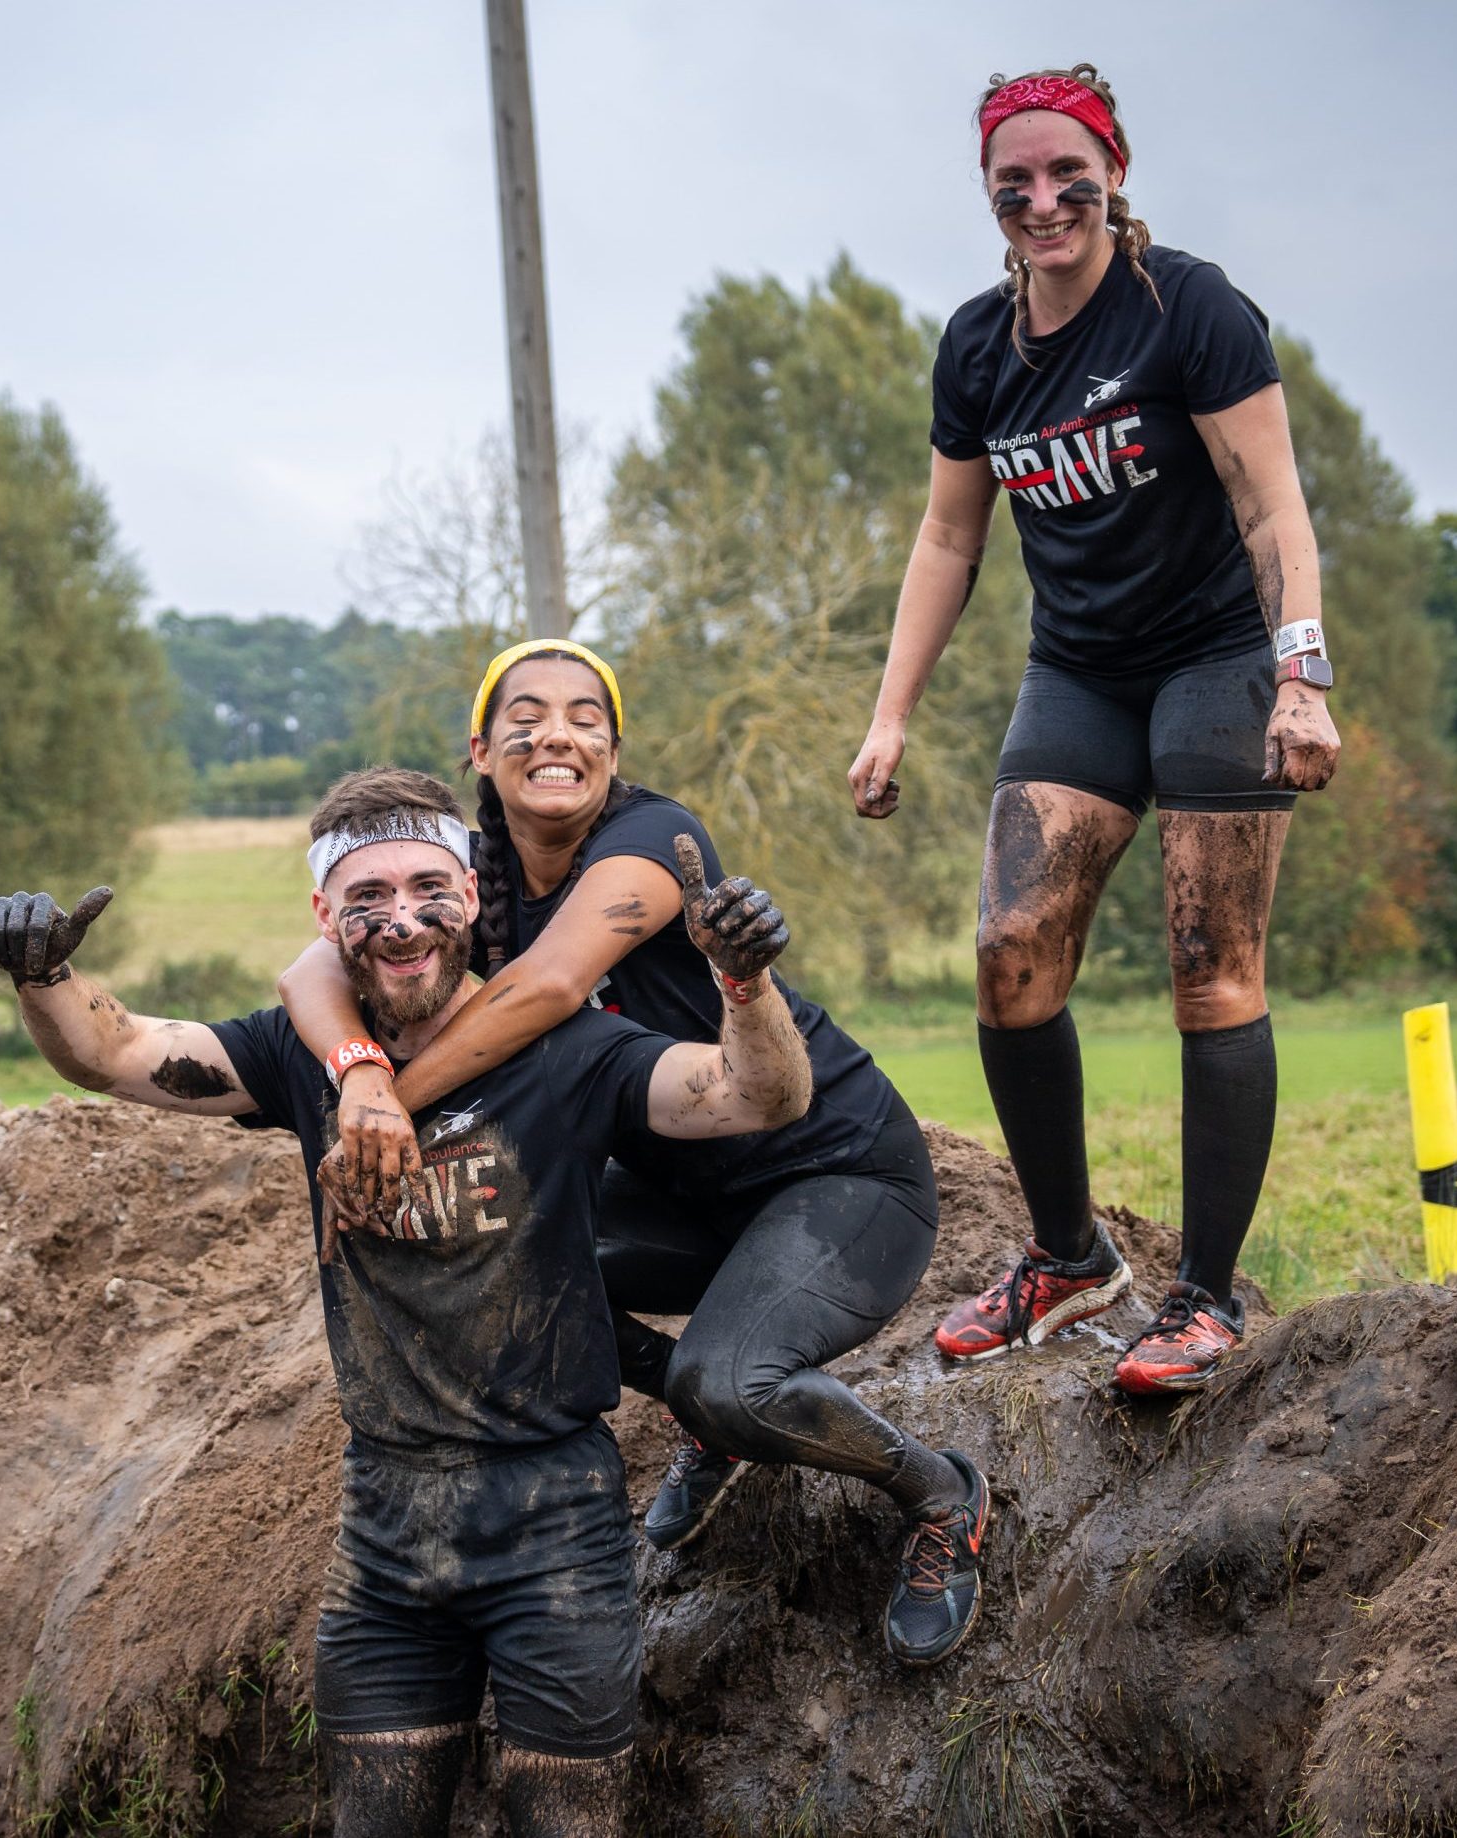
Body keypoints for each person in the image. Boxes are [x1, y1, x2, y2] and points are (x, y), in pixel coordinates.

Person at [0, 766, 848, 1836]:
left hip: (555, 1523)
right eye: (366, 895)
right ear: (324, 916)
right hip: (385, 1530)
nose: (400, 919)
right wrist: (46, 973)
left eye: (426, 887)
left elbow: (757, 1095)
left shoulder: (569, 1051)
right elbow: (114, 1052)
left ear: (473, 895)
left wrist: (745, 985)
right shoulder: (298, 1058)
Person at [283, 640, 987, 1670]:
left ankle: (939, 1493)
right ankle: (714, 1427)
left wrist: (390, 1103)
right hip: (685, 1187)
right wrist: (354, 1072)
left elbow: (551, 988)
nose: (554, 733)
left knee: (731, 1378)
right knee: (508, 1279)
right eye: (524, 714)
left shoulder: (653, 839)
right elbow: (313, 963)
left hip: (834, 1170)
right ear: (481, 749)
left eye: (584, 716)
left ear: (614, 750)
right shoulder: (472, 878)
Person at [847, 65, 1340, 1393]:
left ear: (1113, 170)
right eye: (1015, 184)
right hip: (1078, 670)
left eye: (1070, 174)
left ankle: (1208, 1298)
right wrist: (890, 716)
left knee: (1207, 964)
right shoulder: (976, 345)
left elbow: (1274, 508)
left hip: (1219, 661)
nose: (1044, 200)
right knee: (1011, 950)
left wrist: (1305, 676)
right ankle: (1069, 1260)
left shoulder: (1191, 308)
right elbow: (951, 534)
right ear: (992, 199)